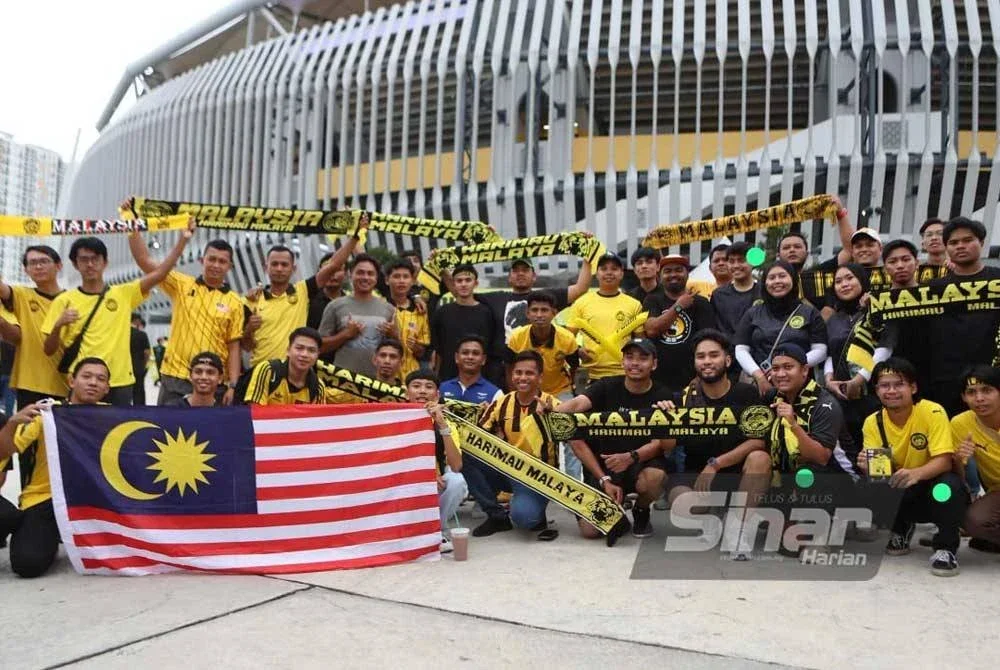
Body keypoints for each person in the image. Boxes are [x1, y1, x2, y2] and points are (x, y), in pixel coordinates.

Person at [42, 226, 193, 406]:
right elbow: (49, 350)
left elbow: (160, 273)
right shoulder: (64, 300)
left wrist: (183, 239)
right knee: (83, 433)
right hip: (84, 382)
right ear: (75, 264)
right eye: (84, 259)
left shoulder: (123, 293)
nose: (90, 264)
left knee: (117, 433)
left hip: (120, 382)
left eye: (95, 259)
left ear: (105, 262)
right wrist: (58, 324)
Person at [0, 357, 110, 577]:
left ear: (107, 388)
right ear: (71, 381)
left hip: (93, 501)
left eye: (101, 379)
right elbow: (5, 452)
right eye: (86, 376)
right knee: (28, 564)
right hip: (45, 498)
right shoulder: (47, 414)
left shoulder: (114, 418)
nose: (93, 383)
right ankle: (38, 531)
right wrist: (12, 423)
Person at [556, 338, 671, 543]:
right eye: (629, 357)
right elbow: (577, 405)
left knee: (655, 478)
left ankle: (641, 510)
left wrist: (630, 457)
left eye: (643, 358)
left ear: (654, 364)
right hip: (604, 467)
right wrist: (550, 411)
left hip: (638, 464)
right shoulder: (605, 386)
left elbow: (662, 445)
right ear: (622, 361)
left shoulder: (663, 395)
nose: (635, 363)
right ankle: (614, 508)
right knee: (590, 532)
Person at [859, 358, 966, 576]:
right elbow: (880, 472)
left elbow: (944, 460)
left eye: (899, 384)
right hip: (904, 485)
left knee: (948, 487)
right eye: (884, 385)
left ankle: (945, 547)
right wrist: (868, 466)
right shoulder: (872, 422)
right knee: (871, 486)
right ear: (877, 391)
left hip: (933, 483)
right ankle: (900, 528)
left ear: (913, 387)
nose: (892, 391)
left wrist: (916, 473)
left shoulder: (932, 412)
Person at [126, 213, 247, 406]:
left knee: (210, 436)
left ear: (230, 266)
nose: (216, 265)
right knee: (166, 433)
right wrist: (132, 224)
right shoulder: (181, 285)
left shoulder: (235, 301)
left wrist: (233, 385)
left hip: (214, 382)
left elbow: (234, 347)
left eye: (222, 261)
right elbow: (144, 261)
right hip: (175, 379)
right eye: (212, 259)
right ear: (202, 260)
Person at [655, 331, 771, 527]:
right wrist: (665, 420)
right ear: (694, 363)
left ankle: (738, 525)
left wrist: (716, 464)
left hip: (735, 472)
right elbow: (667, 447)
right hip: (697, 475)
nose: (707, 361)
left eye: (714, 355)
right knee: (681, 504)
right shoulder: (682, 398)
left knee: (760, 458)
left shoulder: (746, 393)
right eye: (701, 357)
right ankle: (720, 509)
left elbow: (758, 440)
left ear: (727, 360)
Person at [468, 351, 562, 539]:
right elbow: (478, 436)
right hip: (506, 469)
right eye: (518, 373)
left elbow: (573, 438)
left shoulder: (554, 403)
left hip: (538, 477)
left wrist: (552, 419)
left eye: (529, 373)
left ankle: (535, 508)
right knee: (468, 456)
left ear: (540, 377)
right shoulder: (501, 403)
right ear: (512, 375)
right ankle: (496, 515)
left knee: (524, 520)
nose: (522, 378)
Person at [243, 224, 363, 369]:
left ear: (293, 269)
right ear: (265, 267)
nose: (279, 269)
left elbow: (334, 265)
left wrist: (355, 238)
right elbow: (246, 347)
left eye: (284, 265)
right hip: (260, 372)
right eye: (274, 264)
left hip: (294, 372)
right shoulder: (251, 300)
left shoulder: (302, 291)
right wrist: (249, 329)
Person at [925, 217, 1000, 416]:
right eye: (953, 242)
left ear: (981, 243)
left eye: (968, 240)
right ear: (946, 247)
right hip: (945, 382)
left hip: (992, 379)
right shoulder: (932, 289)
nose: (960, 246)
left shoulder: (998, 279)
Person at [506, 292, 582, 479]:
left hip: (560, 391)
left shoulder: (566, 338)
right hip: (527, 392)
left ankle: (572, 485)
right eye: (535, 310)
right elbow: (509, 368)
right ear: (527, 313)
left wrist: (571, 392)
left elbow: (575, 368)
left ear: (554, 313)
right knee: (523, 435)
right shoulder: (517, 338)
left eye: (544, 310)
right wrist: (515, 394)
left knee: (571, 434)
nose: (540, 314)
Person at [734, 260, 828, 396]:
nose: (777, 281)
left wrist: (789, 368)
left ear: (793, 280)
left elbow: (821, 350)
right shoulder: (753, 313)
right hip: (760, 384)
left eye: (782, 276)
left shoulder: (810, 313)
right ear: (765, 283)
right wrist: (758, 375)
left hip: (799, 385)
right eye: (771, 278)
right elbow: (741, 349)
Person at [454, 256, 592, 344]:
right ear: (509, 277)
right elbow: (460, 293)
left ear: (534, 276)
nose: (520, 273)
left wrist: (587, 255)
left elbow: (581, 288)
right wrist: (442, 268)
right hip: (503, 366)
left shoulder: (545, 297)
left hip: (538, 363)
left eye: (525, 270)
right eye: (515, 270)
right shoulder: (495, 298)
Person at [768, 343, 856, 478]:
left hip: (839, 477)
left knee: (808, 473)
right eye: (775, 368)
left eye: (788, 367)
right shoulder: (772, 397)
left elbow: (820, 459)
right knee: (758, 457)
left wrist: (793, 425)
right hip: (792, 473)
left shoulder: (825, 404)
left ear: (804, 370)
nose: (780, 374)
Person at [404, 370, 466, 553]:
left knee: (457, 481)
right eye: (416, 386)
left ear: (437, 395)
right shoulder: (394, 418)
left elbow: (456, 466)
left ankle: (435, 530)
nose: (422, 391)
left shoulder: (445, 423)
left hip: (434, 485)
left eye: (429, 387)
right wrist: (426, 476)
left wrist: (442, 425)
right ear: (406, 393)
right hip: (404, 484)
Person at [564, 253, 644, 387]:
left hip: (624, 374)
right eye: (604, 269)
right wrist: (578, 350)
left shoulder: (634, 304)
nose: (609, 272)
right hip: (590, 375)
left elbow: (641, 341)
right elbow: (566, 338)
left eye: (614, 269)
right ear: (596, 273)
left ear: (621, 273)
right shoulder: (581, 303)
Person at [0, 245, 66, 406]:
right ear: (26, 270)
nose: (38, 266)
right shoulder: (21, 295)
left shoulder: (73, 299)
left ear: (59, 266)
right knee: (28, 430)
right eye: (32, 263)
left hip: (66, 384)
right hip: (29, 384)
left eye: (44, 261)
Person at [823, 264, 875, 461]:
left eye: (850, 278)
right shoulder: (834, 319)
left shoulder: (876, 310)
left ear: (862, 280)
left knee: (874, 450)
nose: (844, 284)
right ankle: (852, 488)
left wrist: (859, 380)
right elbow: (828, 353)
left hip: (872, 393)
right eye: (838, 281)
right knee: (846, 450)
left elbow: (882, 350)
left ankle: (879, 490)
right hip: (839, 394)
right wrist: (829, 380)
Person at [642, 254, 718, 390]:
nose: (673, 275)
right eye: (668, 271)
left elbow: (709, 341)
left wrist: (700, 376)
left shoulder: (701, 303)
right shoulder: (652, 300)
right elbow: (651, 330)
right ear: (660, 276)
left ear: (687, 274)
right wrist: (678, 306)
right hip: (657, 380)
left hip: (693, 380)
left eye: (678, 270)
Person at [318, 253, 397, 379]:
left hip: (378, 382)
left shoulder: (389, 309)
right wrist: (345, 335)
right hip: (343, 381)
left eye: (370, 274)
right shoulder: (335, 306)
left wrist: (394, 334)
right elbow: (319, 346)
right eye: (360, 272)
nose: (365, 277)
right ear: (350, 274)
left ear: (376, 278)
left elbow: (400, 349)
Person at [954, 367, 1000, 552]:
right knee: (974, 522)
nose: (979, 398)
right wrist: (958, 459)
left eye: (987, 390)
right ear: (964, 397)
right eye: (971, 392)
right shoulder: (960, 424)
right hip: (997, 491)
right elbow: (960, 478)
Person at [429, 265, 501, 383]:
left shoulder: (487, 312)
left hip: (480, 378)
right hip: (448, 375)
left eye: (468, 280)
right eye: (459, 280)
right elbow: (438, 350)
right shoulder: (442, 312)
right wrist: (436, 377)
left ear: (475, 283)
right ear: (454, 284)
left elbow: (490, 348)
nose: (463, 284)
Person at [241, 327, 327, 405]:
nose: (304, 354)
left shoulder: (318, 387)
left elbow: (315, 420)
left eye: (311, 350)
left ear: (317, 355)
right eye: (299, 348)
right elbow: (254, 412)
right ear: (288, 350)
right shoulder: (268, 370)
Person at [384, 259, 429, 380]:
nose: (401, 281)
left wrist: (416, 347)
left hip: (411, 376)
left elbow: (422, 352)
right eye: (396, 276)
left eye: (406, 277)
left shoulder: (420, 310)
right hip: (384, 377)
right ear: (387, 280)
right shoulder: (380, 306)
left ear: (412, 280)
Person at [711, 242, 759, 342]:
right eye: (731, 261)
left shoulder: (764, 291)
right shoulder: (718, 295)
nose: (736, 265)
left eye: (741, 260)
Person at [438, 335, 503, 405]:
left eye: (475, 353)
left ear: (483, 359)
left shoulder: (496, 394)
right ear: (456, 357)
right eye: (465, 353)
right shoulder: (441, 389)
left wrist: (488, 414)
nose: (470, 357)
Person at [129, 313, 151, 406]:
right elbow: (147, 352)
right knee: (139, 392)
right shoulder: (141, 334)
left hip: (124, 368)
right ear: (137, 321)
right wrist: (144, 364)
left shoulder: (122, 333)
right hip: (138, 368)